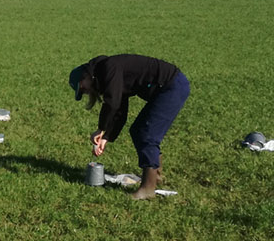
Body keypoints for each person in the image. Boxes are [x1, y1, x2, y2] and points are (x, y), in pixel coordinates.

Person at [68, 54, 190, 200]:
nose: (86, 92)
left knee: (147, 134)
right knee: (138, 130)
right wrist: (106, 137)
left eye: (82, 88)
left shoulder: (109, 68)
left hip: (172, 86)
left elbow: (112, 103)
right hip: (167, 88)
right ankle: (155, 177)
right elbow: (119, 110)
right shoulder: (109, 74)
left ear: (86, 77)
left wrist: (101, 129)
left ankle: (147, 189)